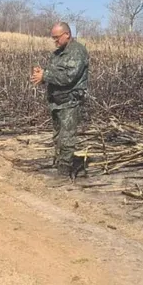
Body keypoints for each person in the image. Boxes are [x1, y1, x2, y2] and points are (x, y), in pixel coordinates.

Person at [30, 22, 89, 177]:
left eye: (57, 38)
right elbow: (54, 74)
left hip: (70, 102)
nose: (55, 41)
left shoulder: (77, 52)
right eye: (53, 38)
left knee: (67, 138)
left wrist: (46, 75)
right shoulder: (57, 54)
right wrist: (42, 75)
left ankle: (64, 172)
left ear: (67, 34)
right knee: (58, 136)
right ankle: (63, 165)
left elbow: (68, 77)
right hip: (56, 102)